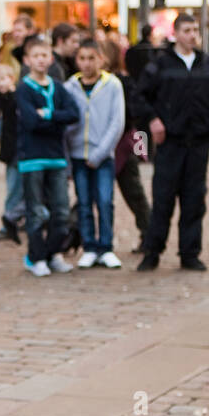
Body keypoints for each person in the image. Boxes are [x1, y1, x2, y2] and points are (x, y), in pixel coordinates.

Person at [136, 13, 209, 272]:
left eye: (195, 30)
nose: (192, 35)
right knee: (163, 198)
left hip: (198, 143)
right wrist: (153, 120)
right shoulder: (160, 64)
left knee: (195, 199)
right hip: (170, 142)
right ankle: (152, 251)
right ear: (176, 33)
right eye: (187, 30)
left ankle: (190, 253)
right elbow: (139, 97)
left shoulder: (206, 64)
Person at [15, 34, 80, 277]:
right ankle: (35, 256)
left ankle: (54, 253)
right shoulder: (24, 89)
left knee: (60, 210)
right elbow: (30, 121)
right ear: (27, 60)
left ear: (51, 59)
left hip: (56, 156)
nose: (41, 60)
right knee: (35, 212)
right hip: (32, 157)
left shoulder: (58, 87)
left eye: (45, 55)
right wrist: (52, 118)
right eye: (36, 56)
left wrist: (49, 115)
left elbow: (73, 114)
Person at [65, 38, 126, 269]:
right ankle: (89, 246)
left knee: (104, 200)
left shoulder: (112, 85)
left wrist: (101, 152)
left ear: (101, 59)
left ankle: (106, 246)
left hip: (103, 155)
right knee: (83, 202)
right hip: (79, 153)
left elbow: (116, 122)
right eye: (82, 58)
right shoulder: (71, 86)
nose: (87, 63)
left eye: (92, 58)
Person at [102, 38, 152, 254]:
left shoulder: (123, 81)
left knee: (134, 192)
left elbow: (133, 114)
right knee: (97, 196)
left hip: (122, 144)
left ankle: (150, 234)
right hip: (100, 145)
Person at [0, 63, 25, 243]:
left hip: (16, 153)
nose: (0, 83)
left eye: (3, 79)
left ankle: (10, 220)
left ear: (12, 78)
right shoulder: (4, 98)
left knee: (15, 189)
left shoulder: (15, 99)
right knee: (15, 188)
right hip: (11, 152)